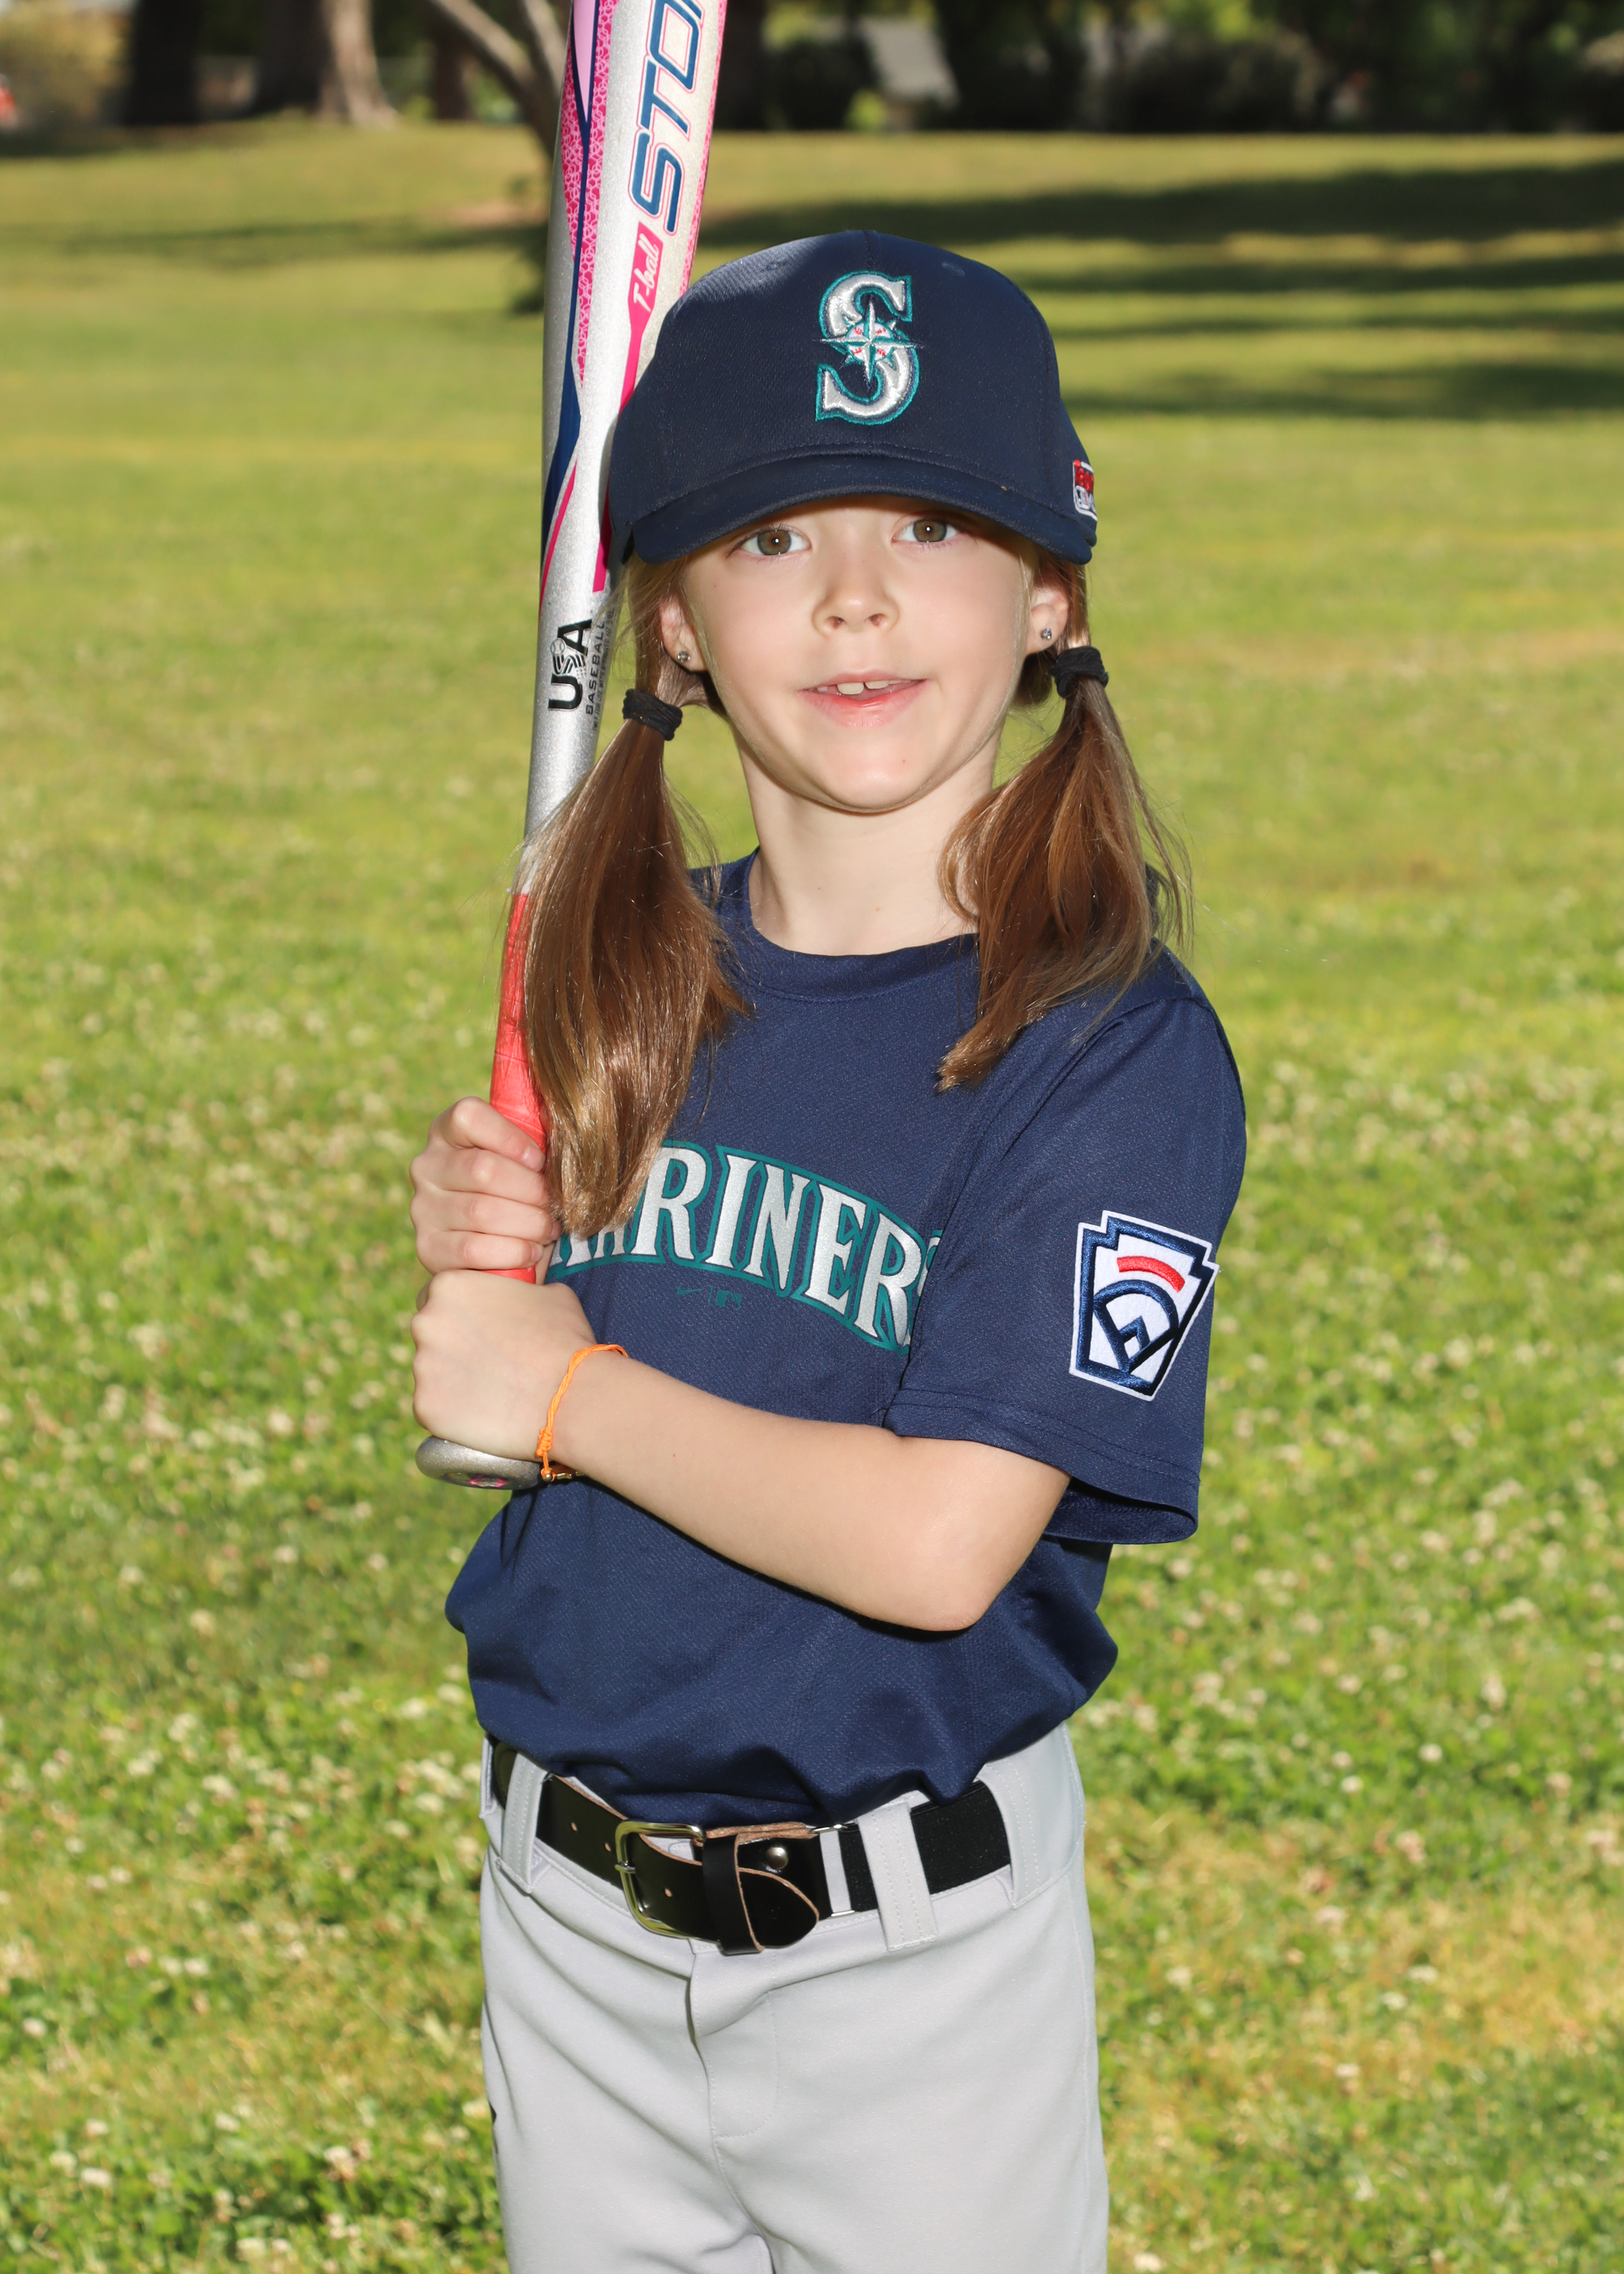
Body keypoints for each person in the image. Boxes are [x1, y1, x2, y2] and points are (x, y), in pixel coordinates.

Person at [408, 231, 1246, 2274]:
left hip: (910, 1972)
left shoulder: (1108, 1049)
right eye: (772, 536)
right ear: (673, 624)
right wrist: (486, 1247)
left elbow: (941, 1542)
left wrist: (565, 1389)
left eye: (932, 525)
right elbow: (574, 1347)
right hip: (569, 1915)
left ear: (1048, 596)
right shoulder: (623, 972)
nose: (856, 594)